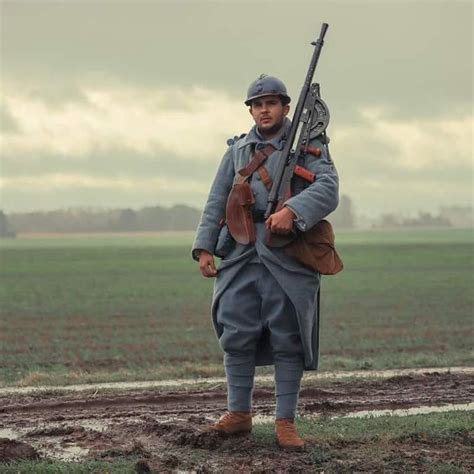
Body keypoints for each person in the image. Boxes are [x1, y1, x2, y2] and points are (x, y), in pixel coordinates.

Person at [192, 74, 339, 450]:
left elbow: (327, 187)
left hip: (286, 254)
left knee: (288, 338)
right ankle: (238, 414)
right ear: (251, 110)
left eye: (271, 103)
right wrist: (204, 247)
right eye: (257, 104)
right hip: (241, 252)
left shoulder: (308, 145)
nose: (264, 110)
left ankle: (285, 422)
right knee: (235, 334)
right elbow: (216, 199)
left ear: (286, 107)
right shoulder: (239, 150)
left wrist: (293, 210)